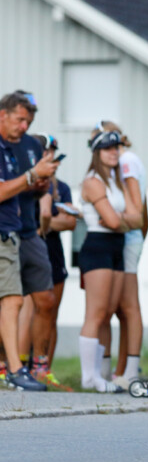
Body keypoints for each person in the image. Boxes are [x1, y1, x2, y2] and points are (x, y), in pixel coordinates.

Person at [0, 91, 60, 387]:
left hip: (24, 228)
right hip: (5, 230)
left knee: (40, 299)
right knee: (10, 301)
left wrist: (41, 185)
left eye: (29, 121)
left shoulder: (31, 145)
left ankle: (31, 366)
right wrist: (30, 176)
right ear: (3, 114)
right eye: (20, 119)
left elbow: (32, 187)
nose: (25, 126)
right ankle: (12, 368)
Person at [78, 129, 142, 392]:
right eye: (107, 148)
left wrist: (118, 220)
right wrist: (119, 220)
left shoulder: (119, 182)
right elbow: (119, 220)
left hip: (116, 245)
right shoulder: (93, 181)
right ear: (97, 152)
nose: (114, 151)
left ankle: (96, 375)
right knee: (96, 313)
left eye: (116, 147)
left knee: (107, 311)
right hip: (98, 246)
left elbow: (137, 218)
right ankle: (89, 376)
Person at [96, 122, 148, 389]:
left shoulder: (126, 160)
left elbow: (137, 209)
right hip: (125, 237)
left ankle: (129, 371)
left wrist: (117, 221)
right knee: (116, 307)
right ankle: (116, 370)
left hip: (126, 236)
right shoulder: (128, 158)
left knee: (128, 307)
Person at [33, 134, 77, 369]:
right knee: (31, 311)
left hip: (54, 253)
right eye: (47, 152)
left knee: (51, 314)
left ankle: (45, 368)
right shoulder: (33, 184)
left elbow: (71, 223)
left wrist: (45, 223)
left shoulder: (63, 187)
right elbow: (39, 220)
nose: (51, 157)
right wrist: (50, 220)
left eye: (53, 153)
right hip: (33, 251)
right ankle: (22, 364)